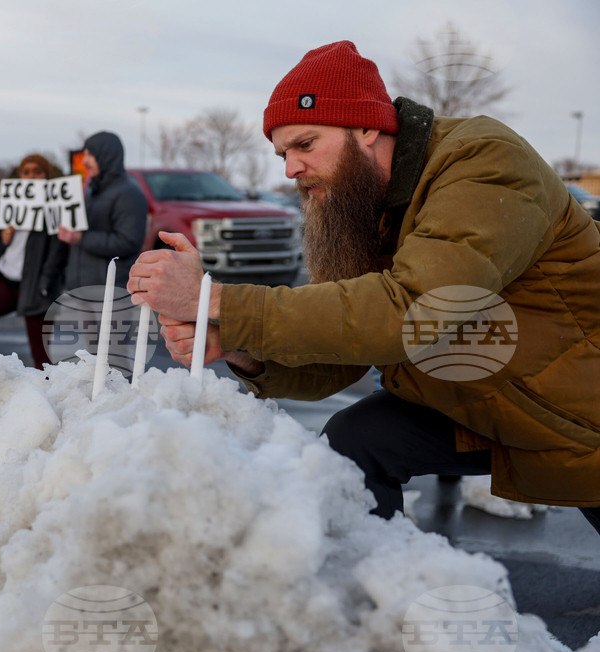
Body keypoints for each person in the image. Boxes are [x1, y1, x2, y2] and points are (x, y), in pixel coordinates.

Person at [128, 41, 600, 535]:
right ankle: (378, 593)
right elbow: (346, 349)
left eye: (305, 145)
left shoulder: (484, 163)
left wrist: (216, 299)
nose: (289, 168)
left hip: (576, 409)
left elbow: (414, 310)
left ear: (369, 127)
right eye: (283, 153)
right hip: (480, 401)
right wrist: (237, 347)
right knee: (357, 443)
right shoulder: (359, 206)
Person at [0, 155, 66, 369]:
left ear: (46, 176)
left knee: (40, 356)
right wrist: (4, 238)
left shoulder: (55, 207)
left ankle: (47, 398)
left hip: (36, 287)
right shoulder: (10, 203)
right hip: (8, 280)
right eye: (26, 172)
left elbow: (58, 252)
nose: (31, 177)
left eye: (37, 172)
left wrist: (44, 285)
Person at [57, 131, 147, 290]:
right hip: (80, 289)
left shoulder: (129, 193)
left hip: (109, 293)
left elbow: (128, 242)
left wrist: (81, 238)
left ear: (106, 155)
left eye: (90, 155)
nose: (84, 161)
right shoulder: (92, 190)